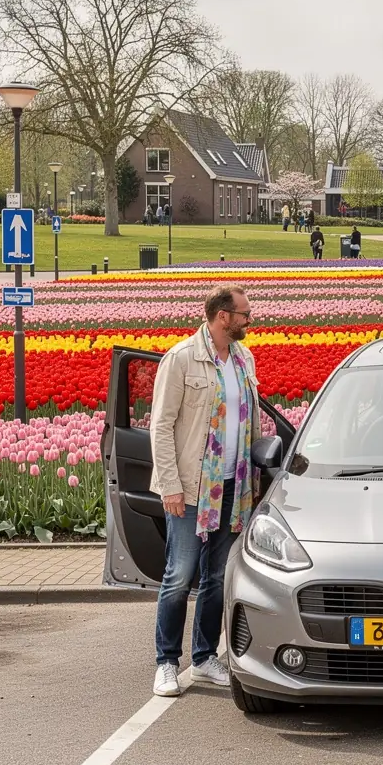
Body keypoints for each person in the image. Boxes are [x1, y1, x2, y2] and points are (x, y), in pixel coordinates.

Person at [149, 285, 261, 697]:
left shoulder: (244, 359)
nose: (251, 320)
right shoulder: (181, 359)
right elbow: (160, 426)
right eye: (245, 314)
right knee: (179, 577)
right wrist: (171, 486)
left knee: (216, 576)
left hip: (234, 484)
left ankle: (202, 658)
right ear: (221, 316)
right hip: (192, 487)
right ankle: (165, 662)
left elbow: (252, 423)